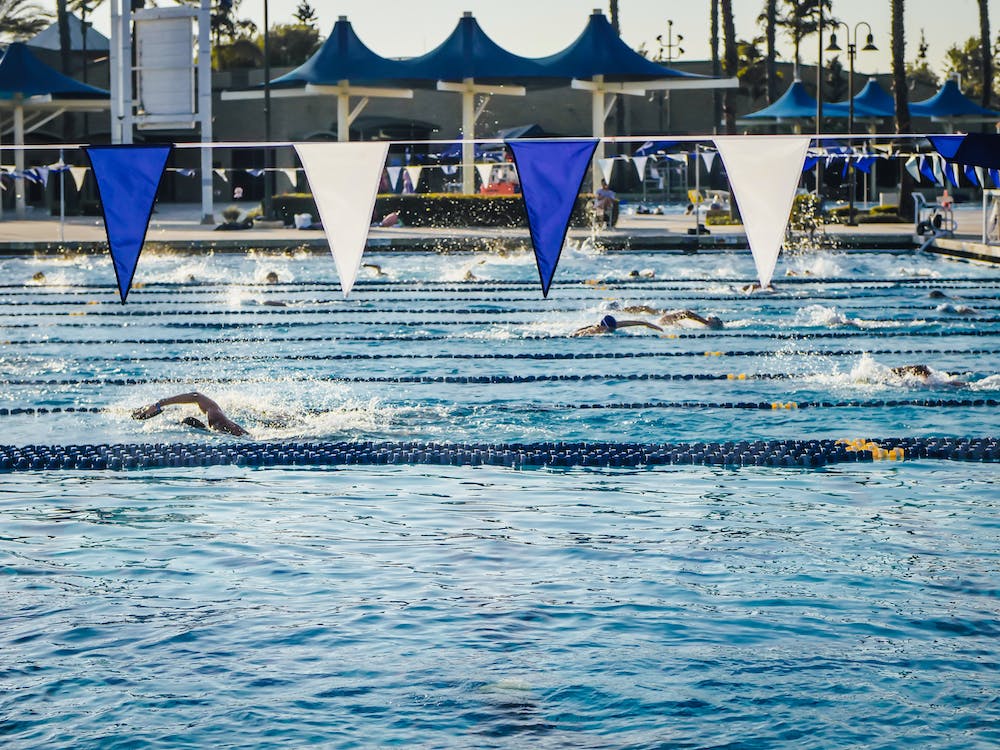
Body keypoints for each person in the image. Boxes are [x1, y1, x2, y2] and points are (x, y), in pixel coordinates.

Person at [132, 392, 248, 436]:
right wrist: (158, 405)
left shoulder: (217, 421)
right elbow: (197, 397)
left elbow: (196, 396)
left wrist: (158, 405)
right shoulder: (216, 422)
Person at [572, 314, 663, 337]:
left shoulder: (616, 325)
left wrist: (652, 326)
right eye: (610, 329)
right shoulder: (593, 331)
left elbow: (639, 322)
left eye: (613, 329)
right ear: (604, 327)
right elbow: (574, 334)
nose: (613, 330)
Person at [657, 309, 724, 329]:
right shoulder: (704, 323)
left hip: (663, 323)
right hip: (663, 322)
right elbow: (687, 313)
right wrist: (705, 322)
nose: (709, 317)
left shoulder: (702, 325)